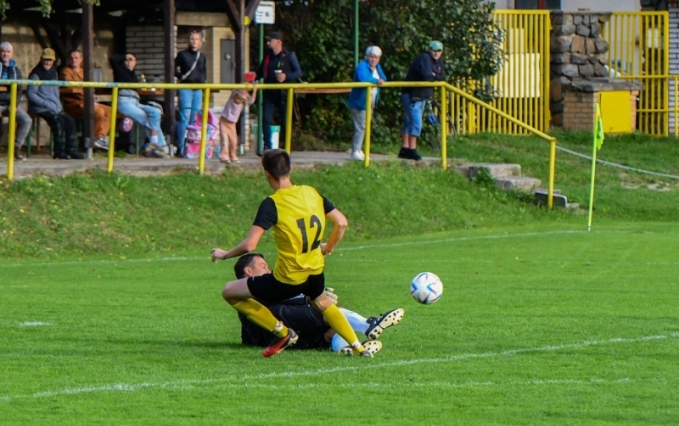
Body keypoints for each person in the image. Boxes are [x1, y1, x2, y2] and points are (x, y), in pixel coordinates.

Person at [211, 149, 373, 358]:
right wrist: (328, 248)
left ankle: (283, 333)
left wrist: (224, 254)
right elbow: (341, 222)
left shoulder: (273, 203)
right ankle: (359, 348)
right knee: (322, 303)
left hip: (287, 279)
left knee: (229, 292)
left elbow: (250, 245)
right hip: (315, 271)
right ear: (291, 169)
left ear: (266, 174)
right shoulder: (311, 192)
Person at [234, 253, 405, 355]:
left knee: (332, 329)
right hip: (276, 321)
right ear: (249, 271)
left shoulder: (249, 290)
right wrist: (311, 298)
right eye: (263, 266)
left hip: (282, 337)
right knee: (328, 312)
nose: (269, 271)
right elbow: (279, 299)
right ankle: (368, 325)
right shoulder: (249, 289)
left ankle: (344, 348)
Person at [26, 48, 85, 160]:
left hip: (54, 107)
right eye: (45, 59)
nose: (48, 62)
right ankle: (59, 152)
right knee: (58, 121)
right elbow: (31, 94)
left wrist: (57, 105)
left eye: (50, 60)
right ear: (41, 59)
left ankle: (71, 150)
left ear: (54, 60)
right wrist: (46, 103)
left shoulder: (54, 72)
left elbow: (55, 91)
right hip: (40, 108)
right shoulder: (36, 74)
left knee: (69, 120)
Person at [109, 52, 168, 157]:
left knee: (155, 112)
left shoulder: (133, 74)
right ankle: (161, 146)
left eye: (131, 60)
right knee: (147, 118)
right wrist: (125, 55)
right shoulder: (119, 70)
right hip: (124, 101)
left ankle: (154, 143)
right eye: (127, 60)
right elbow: (112, 59)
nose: (128, 62)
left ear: (135, 62)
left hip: (136, 102)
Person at [255, 31, 302, 153]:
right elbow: (259, 73)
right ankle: (267, 146)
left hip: (284, 94)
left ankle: (286, 147)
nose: (267, 43)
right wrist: (251, 79)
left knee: (285, 121)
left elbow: (298, 72)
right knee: (265, 119)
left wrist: (286, 77)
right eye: (267, 40)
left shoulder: (289, 55)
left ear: (279, 42)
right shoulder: (267, 56)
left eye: (270, 40)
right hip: (269, 93)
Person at [400, 40, 445, 161]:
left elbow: (442, 76)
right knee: (416, 123)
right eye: (434, 50)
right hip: (412, 94)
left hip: (422, 95)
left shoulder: (438, 61)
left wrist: (433, 75)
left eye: (439, 51)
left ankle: (404, 149)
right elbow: (427, 76)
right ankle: (412, 150)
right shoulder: (424, 58)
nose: (436, 53)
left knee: (409, 121)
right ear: (429, 49)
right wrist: (434, 75)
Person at [59, 49, 112, 151]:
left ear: (81, 59)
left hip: (88, 102)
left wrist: (91, 95)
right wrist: (87, 94)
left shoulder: (85, 72)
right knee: (98, 111)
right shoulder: (66, 71)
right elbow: (71, 88)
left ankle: (100, 138)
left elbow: (91, 87)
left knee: (110, 110)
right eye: (71, 58)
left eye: (76, 58)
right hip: (73, 104)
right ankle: (95, 138)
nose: (73, 60)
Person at [347, 46, 387, 161]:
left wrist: (381, 80)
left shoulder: (377, 67)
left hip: (371, 101)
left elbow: (383, 77)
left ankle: (359, 150)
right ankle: (355, 151)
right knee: (361, 126)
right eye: (371, 57)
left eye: (376, 57)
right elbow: (363, 78)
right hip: (359, 101)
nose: (373, 59)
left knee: (365, 126)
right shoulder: (362, 66)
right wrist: (377, 81)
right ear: (367, 56)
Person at [175, 30, 207, 157]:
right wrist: (181, 76)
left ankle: (192, 147)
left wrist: (203, 82)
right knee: (185, 118)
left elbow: (204, 71)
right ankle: (181, 147)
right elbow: (172, 67)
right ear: (189, 41)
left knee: (194, 119)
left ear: (200, 42)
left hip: (198, 89)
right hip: (186, 87)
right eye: (192, 39)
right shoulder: (182, 55)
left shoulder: (202, 56)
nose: (194, 41)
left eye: (197, 39)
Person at [0, 41, 31, 161]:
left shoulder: (16, 71)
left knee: (26, 120)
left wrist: (15, 105)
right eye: (3, 51)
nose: (5, 54)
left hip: (11, 103)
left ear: (11, 54)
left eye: (8, 52)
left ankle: (17, 147)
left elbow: (19, 90)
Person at [219, 83, 257, 164]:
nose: (238, 100)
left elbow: (252, 100)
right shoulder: (232, 98)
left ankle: (233, 156)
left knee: (234, 141)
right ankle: (224, 156)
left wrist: (255, 89)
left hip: (232, 124)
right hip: (224, 122)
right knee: (225, 141)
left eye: (240, 100)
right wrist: (243, 85)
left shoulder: (242, 104)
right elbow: (235, 89)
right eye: (237, 98)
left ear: (243, 101)